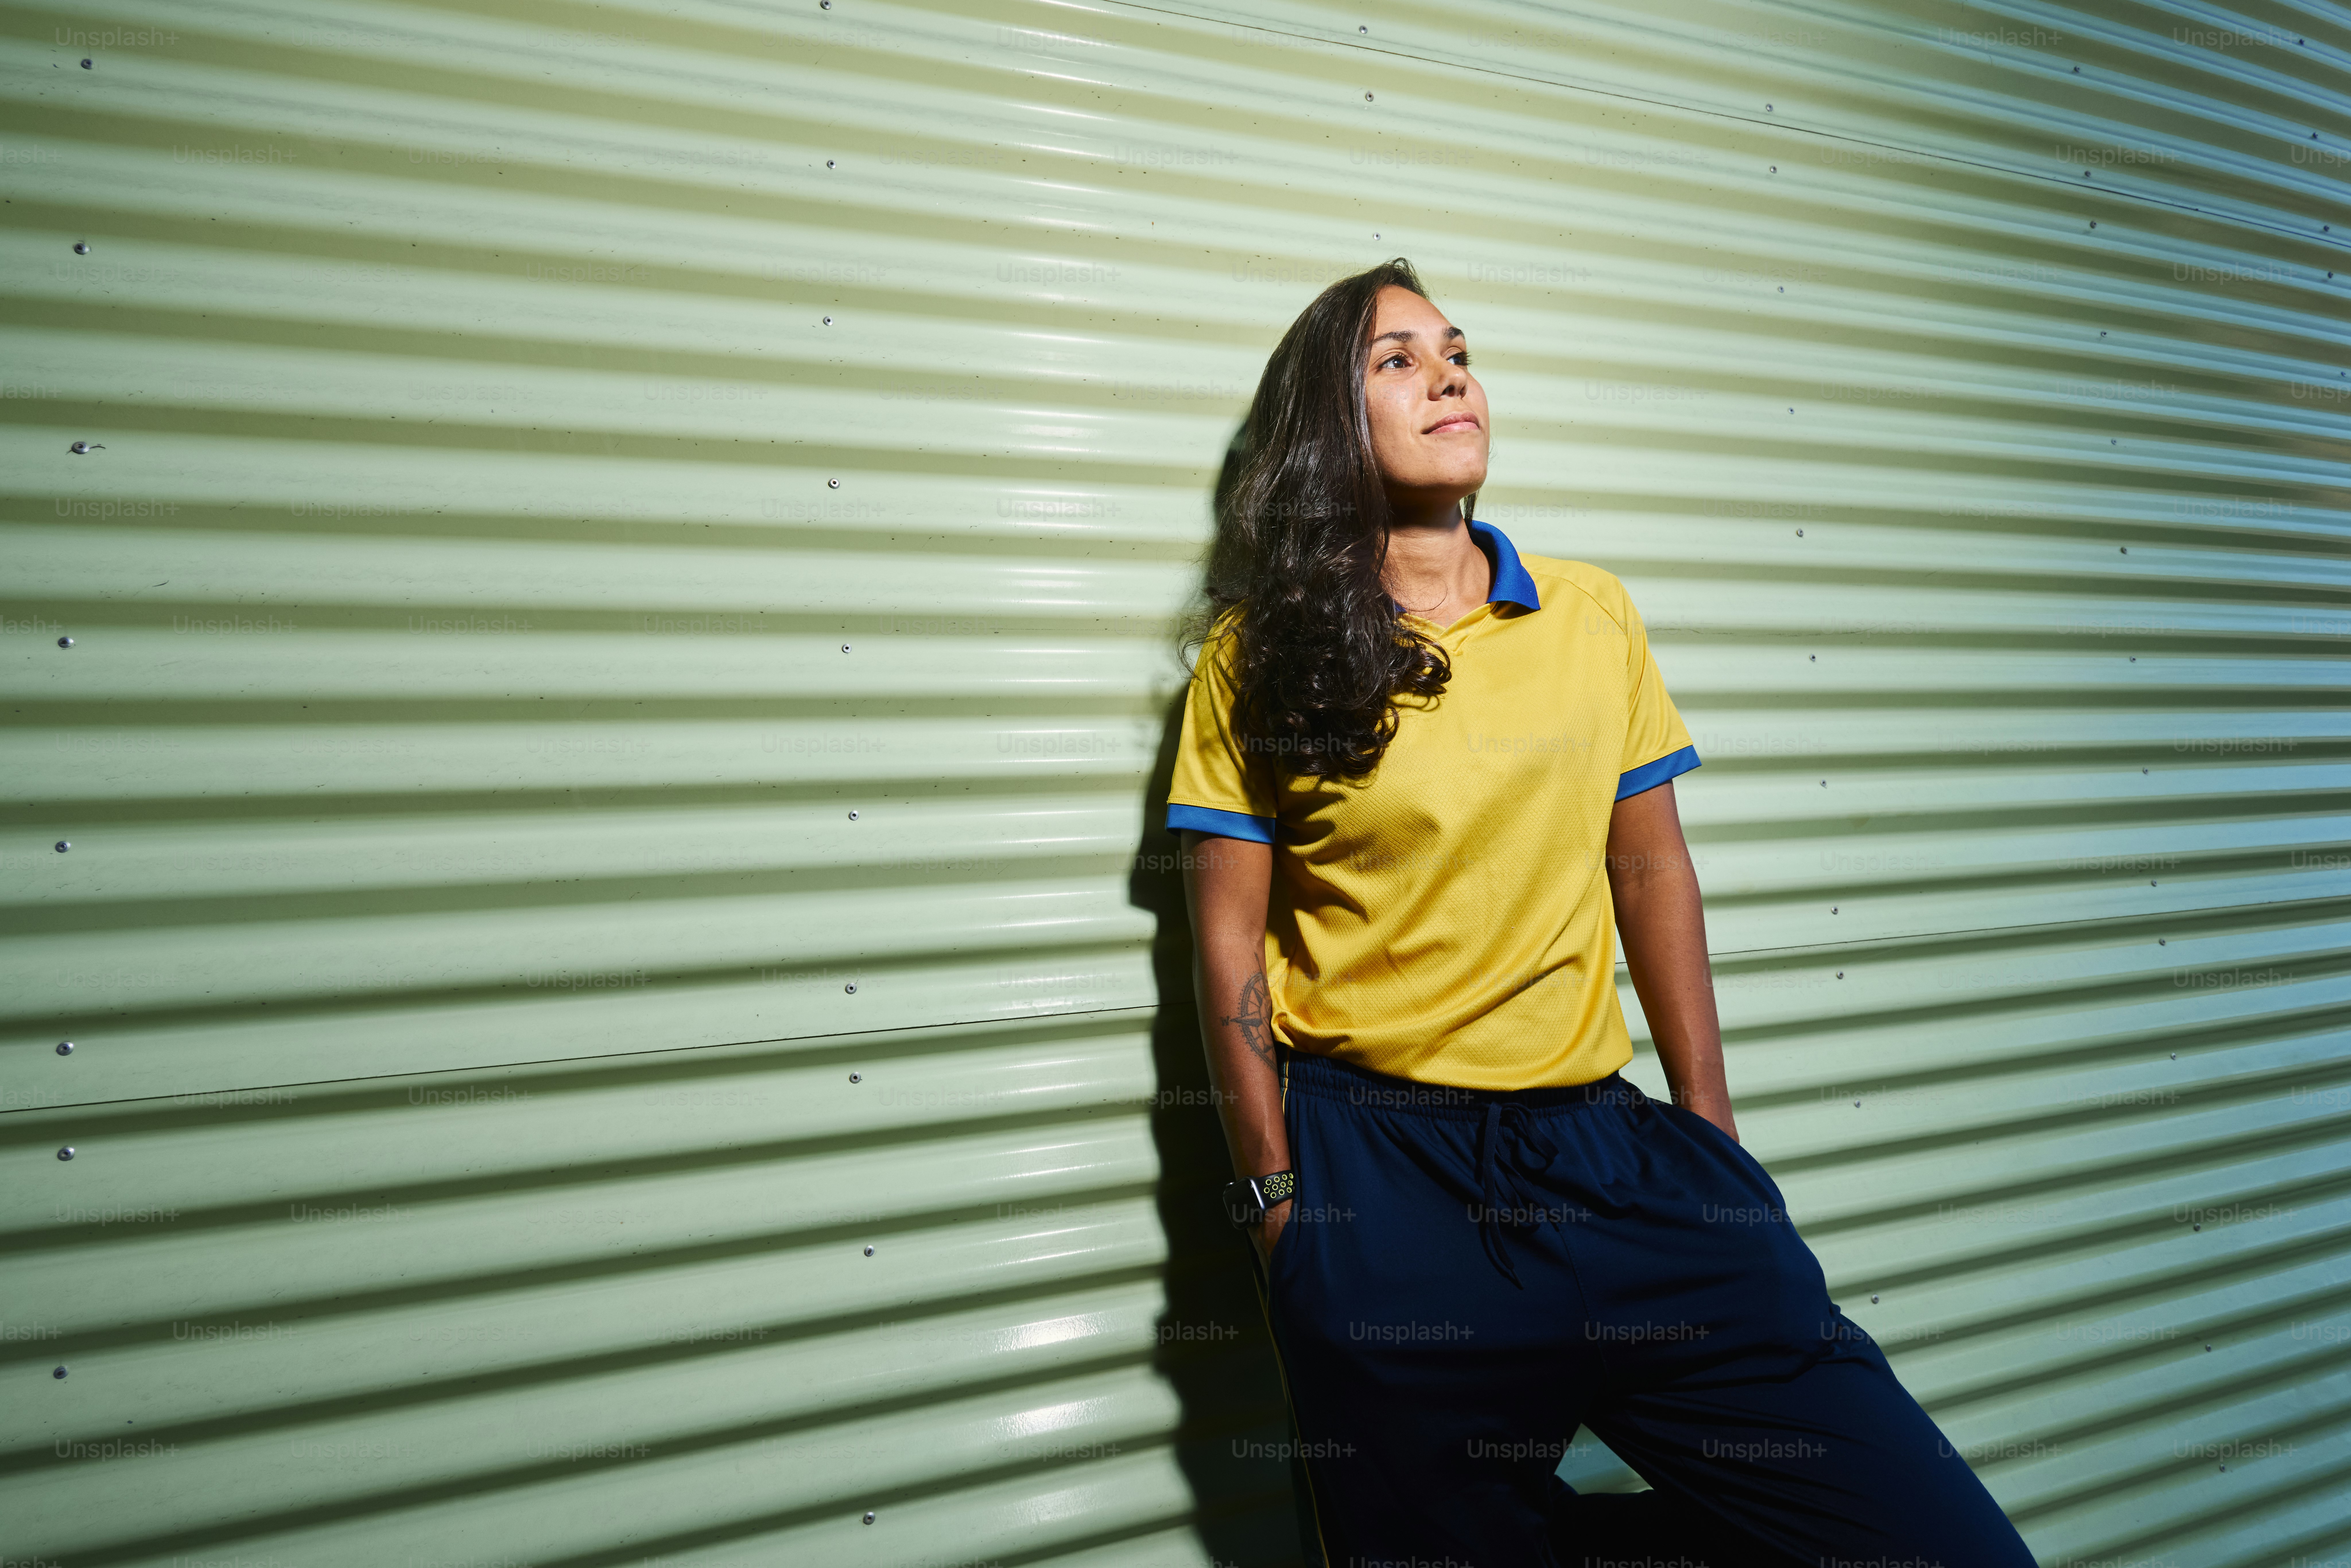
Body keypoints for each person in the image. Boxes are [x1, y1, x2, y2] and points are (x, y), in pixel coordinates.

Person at [1165, 259, 2037, 1567]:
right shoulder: (1257, 659)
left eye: (1457, 352)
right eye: (1397, 360)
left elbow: (1652, 875)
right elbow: (1227, 941)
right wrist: (1278, 1206)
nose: (1448, 376)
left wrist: (1712, 1136)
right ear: (1326, 424)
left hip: (1609, 1158)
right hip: (1382, 1185)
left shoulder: (1590, 613)